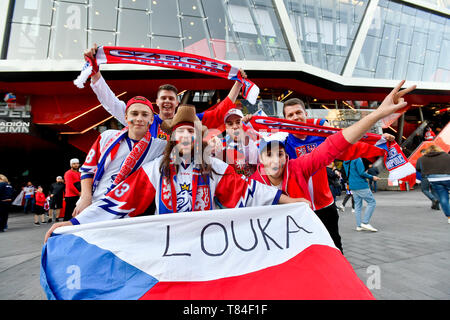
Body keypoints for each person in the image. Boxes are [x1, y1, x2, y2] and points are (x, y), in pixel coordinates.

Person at [45, 105, 305, 242]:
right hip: (167, 243)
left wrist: (288, 201)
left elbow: (248, 189)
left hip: (206, 241)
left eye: (191, 131)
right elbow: (121, 199)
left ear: (198, 137)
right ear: (172, 137)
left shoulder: (212, 166)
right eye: (180, 131)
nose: (185, 136)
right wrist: (75, 223)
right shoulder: (156, 168)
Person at [251, 80, 415, 251]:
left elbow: (345, 144)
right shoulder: (283, 141)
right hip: (298, 207)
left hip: (325, 204)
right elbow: (259, 151)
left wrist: (378, 143)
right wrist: (246, 124)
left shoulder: (321, 131)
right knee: (303, 252)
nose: (295, 118)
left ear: (305, 113)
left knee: (334, 246)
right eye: (290, 116)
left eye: (298, 113)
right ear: (285, 120)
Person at [84, 44, 246, 141]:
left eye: (171, 98)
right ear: (157, 102)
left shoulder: (192, 122)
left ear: (177, 102)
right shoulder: (145, 121)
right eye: (163, 98)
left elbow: (220, 112)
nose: (167, 101)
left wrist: (238, 83)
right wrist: (95, 73)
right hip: (150, 187)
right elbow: (112, 104)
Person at [74, 96, 166, 216]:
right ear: (126, 117)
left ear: (152, 119)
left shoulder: (160, 146)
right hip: (96, 203)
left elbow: (185, 145)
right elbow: (87, 170)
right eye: (134, 113)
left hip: (129, 211)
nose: (139, 118)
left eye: (144, 114)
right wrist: (86, 198)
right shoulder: (107, 137)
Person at [210, 108, 259, 177]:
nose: (235, 127)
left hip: (254, 185)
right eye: (230, 124)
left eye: (238, 122)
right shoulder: (221, 145)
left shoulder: (253, 139)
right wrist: (210, 149)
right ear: (226, 128)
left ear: (243, 124)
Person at [343, 158, 379, 232]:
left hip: (352, 185)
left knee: (358, 205)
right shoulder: (357, 159)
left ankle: (359, 226)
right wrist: (372, 177)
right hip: (361, 185)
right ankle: (365, 222)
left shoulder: (345, 160)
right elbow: (361, 173)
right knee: (372, 202)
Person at [420, 145, 450, 223]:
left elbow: (422, 169)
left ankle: (449, 217)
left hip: (434, 179)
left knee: (443, 198)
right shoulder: (447, 156)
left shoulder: (423, 158)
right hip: (447, 177)